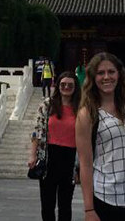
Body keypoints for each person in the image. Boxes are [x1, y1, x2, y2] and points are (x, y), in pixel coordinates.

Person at [75, 52, 125, 221]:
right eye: (100, 73)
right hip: (105, 198)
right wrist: (89, 209)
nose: (106, 77)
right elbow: (85, 164)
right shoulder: (87, 114)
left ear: (119, 74)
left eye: (111, 72)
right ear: (92, 77)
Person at [29, 71, 82, 221]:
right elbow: (37, 131)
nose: (66, 87)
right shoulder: (47, 104)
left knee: (65, 205)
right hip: (49, 158)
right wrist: (32, 154)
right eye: (63, 84)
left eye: (70, 85)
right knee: (47, 205)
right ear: (57, 86)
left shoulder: (80, 108)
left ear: (75, 87)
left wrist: (80, 166)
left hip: (70, 158)